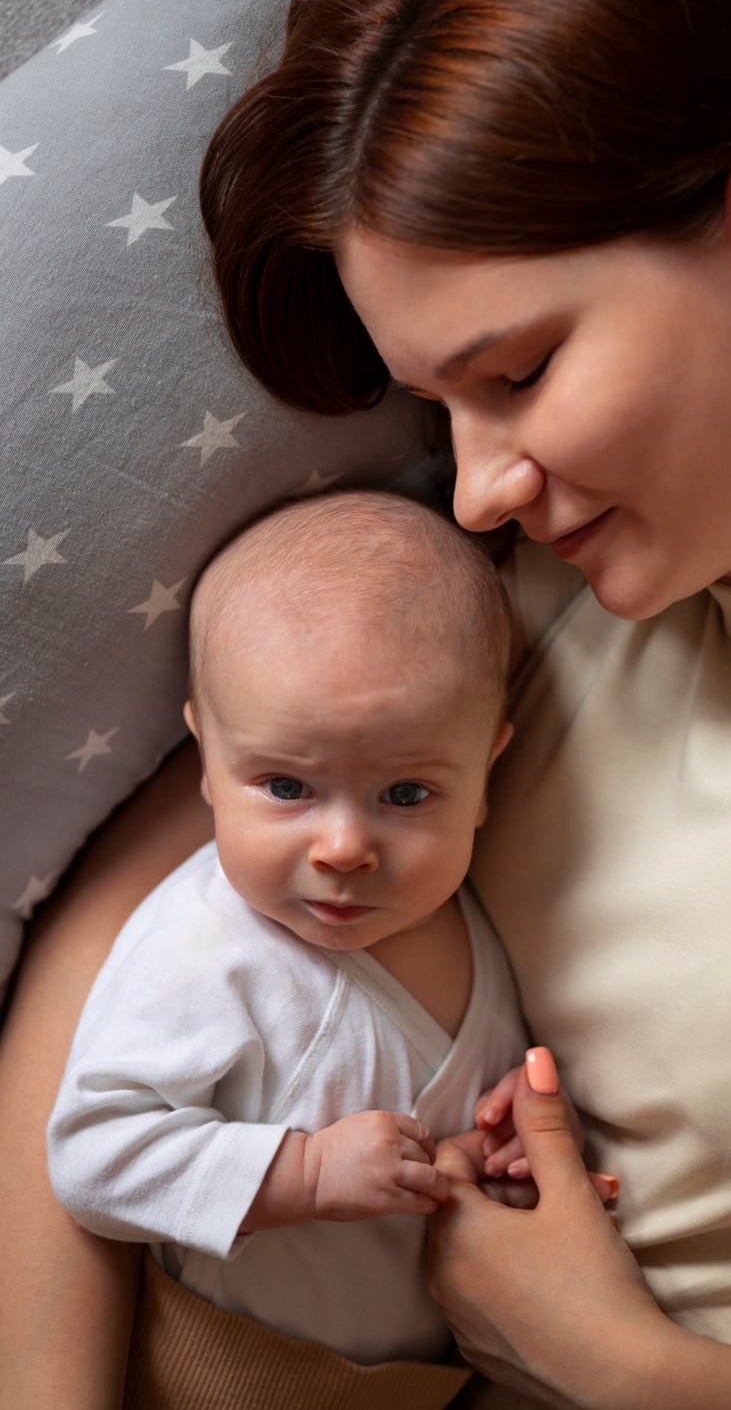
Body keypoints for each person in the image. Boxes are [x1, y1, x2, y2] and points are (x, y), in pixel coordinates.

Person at [5, 0, 731, 1405]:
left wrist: (639, 1374)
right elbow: (115, 937)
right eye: (438, 410)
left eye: (520, 375)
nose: (477, 485)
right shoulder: (501, 597)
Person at [46, 487, 532, 1398]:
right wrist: (299, 1174)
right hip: (226, 1372)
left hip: (421, 1381)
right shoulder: (206, 950)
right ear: (208, 759)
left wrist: (500, 1146)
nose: (343, 847)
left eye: (406, 795)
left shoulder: (467, 924)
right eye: (284, 786)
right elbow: (92, 1156)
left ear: (486, 770)